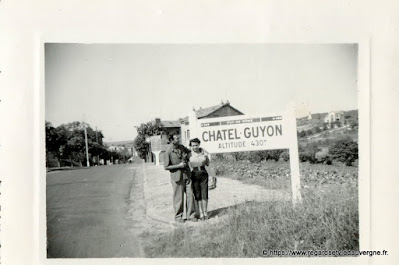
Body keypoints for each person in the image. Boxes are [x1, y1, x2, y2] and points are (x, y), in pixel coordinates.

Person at [164, 134, 197, 223]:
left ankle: (191, 215)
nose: (179, 139)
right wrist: (178, 166)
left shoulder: (182, 147)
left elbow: (189, 152)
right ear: (171, 140)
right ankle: (178, 217)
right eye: (177, 138)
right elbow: (166, 167)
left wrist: (191, 157)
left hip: (187, 175)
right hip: (177, 177)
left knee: (190, 195)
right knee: (179, 198)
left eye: (179, 138)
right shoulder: (168, 152)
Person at [188, 138, 210, 220]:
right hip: (194, 174)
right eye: (193, 145)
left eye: (196, 145)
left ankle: (205, 212)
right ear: (191, 146)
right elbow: (187, 165)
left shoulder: (203, 152)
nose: (195, 147)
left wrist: (206, 156)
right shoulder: (189, 154)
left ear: (199, 145)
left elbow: (208, 164)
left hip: (203, 173)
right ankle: (200, 212)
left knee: (204, 193)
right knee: (197, 194)